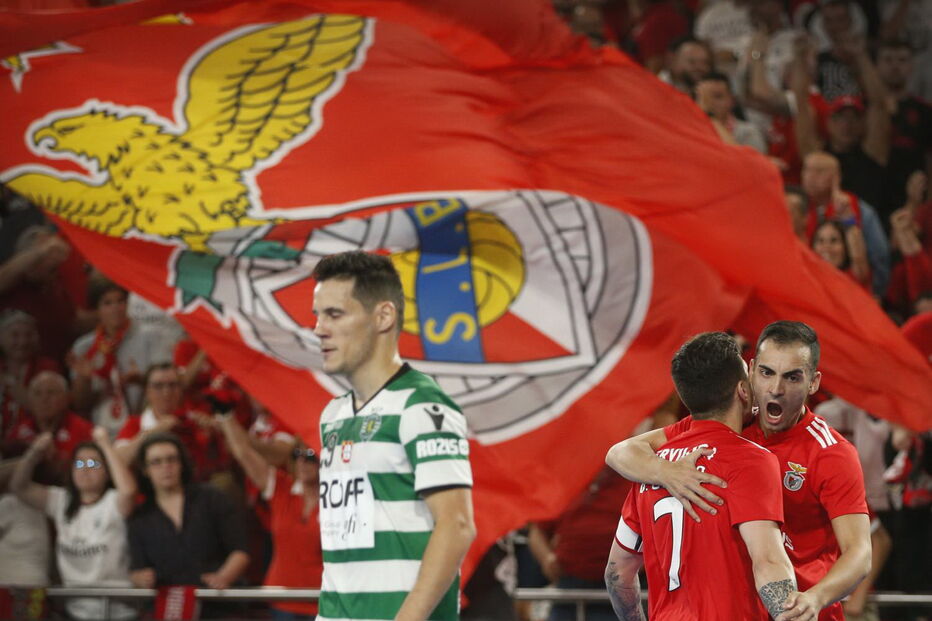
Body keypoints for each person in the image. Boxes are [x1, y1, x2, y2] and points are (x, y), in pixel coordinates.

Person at [606, 321, 871, 621]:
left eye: (792, 377)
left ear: (813, 382)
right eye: (767, 373)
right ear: (750, 373)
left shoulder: (831, 453)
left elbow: (859, 554)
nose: (776, 389)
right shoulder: (727, 426)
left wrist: (815, 597)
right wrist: (665, 471)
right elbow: (620, 452)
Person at [312, 251, 476, 621]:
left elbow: (457, 525)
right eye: (317, 315)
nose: (319, 328)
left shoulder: (423, 405)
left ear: (383, 316)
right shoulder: (333, 415)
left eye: (334, 314)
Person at [605, 332, 797, 620]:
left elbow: (617, 573)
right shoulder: (751, 460)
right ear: (743, 389)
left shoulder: (650, 469)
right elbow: (769, 563)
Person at [11, 426, 137, 621]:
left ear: (107, 472)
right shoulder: (60, 500)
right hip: (75, 611)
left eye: (94, 464)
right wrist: (35, 451)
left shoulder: (113, 501)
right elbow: (18, 487)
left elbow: (128, 491)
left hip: (118, 611)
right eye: (79, 463)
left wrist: (104, 444)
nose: (86, 469)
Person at [216, 412, 321, 621]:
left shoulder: (340, 496)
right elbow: (243, 452)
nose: (302, 461)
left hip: (324, 600)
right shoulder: (281, 489)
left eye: (310, 456)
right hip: (282, 600)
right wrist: (225, 415)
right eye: (296, 455)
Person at [127, 433, 250, 594]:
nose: (166, 466)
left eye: (172, 459)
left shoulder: (212, 498)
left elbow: (240, 550)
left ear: (182, 463)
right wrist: (139, 578)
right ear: (145, 470)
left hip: (218, 602)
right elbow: (137, 569)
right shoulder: (140, 515)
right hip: (168, 605)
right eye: (156, 462)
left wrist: (223, 577)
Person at [69, 276, 161, 437]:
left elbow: (167, 386)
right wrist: (84, 379)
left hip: (144, 429)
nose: (116, 308)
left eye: (121, 301)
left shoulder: (151, 338)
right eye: (107, 303)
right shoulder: (84, 347)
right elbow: (79, 404)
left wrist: (143, 380)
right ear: (96, 309)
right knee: (86, 464)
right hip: (100, 432)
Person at [3, 371, 93, 484]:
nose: (44, 399)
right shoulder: (18, 431)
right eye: (37, 393)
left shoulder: (84, 429)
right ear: (30, 400)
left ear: (66, 398)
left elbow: (92, 465)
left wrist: (58, 459)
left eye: (51, 393)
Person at [0, 310, 60, 441]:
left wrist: (10, 386)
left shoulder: (47, 368)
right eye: (15, 336)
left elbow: (47, 410)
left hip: (36, 439)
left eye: (28, 335)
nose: (22, 342)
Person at [695, 71, 768, 152]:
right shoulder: (691, 131)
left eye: (717, 96)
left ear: (731, 100)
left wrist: (709, 116)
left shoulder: (748, 133)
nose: (709, 103)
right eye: (704, 98)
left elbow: (747, 161)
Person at [811, 219, 871, 290]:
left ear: (846, 246)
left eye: (834, 240)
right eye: (820, 241)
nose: (826, 246)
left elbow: (857, 254)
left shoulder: (856, 276)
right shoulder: (809, 280)